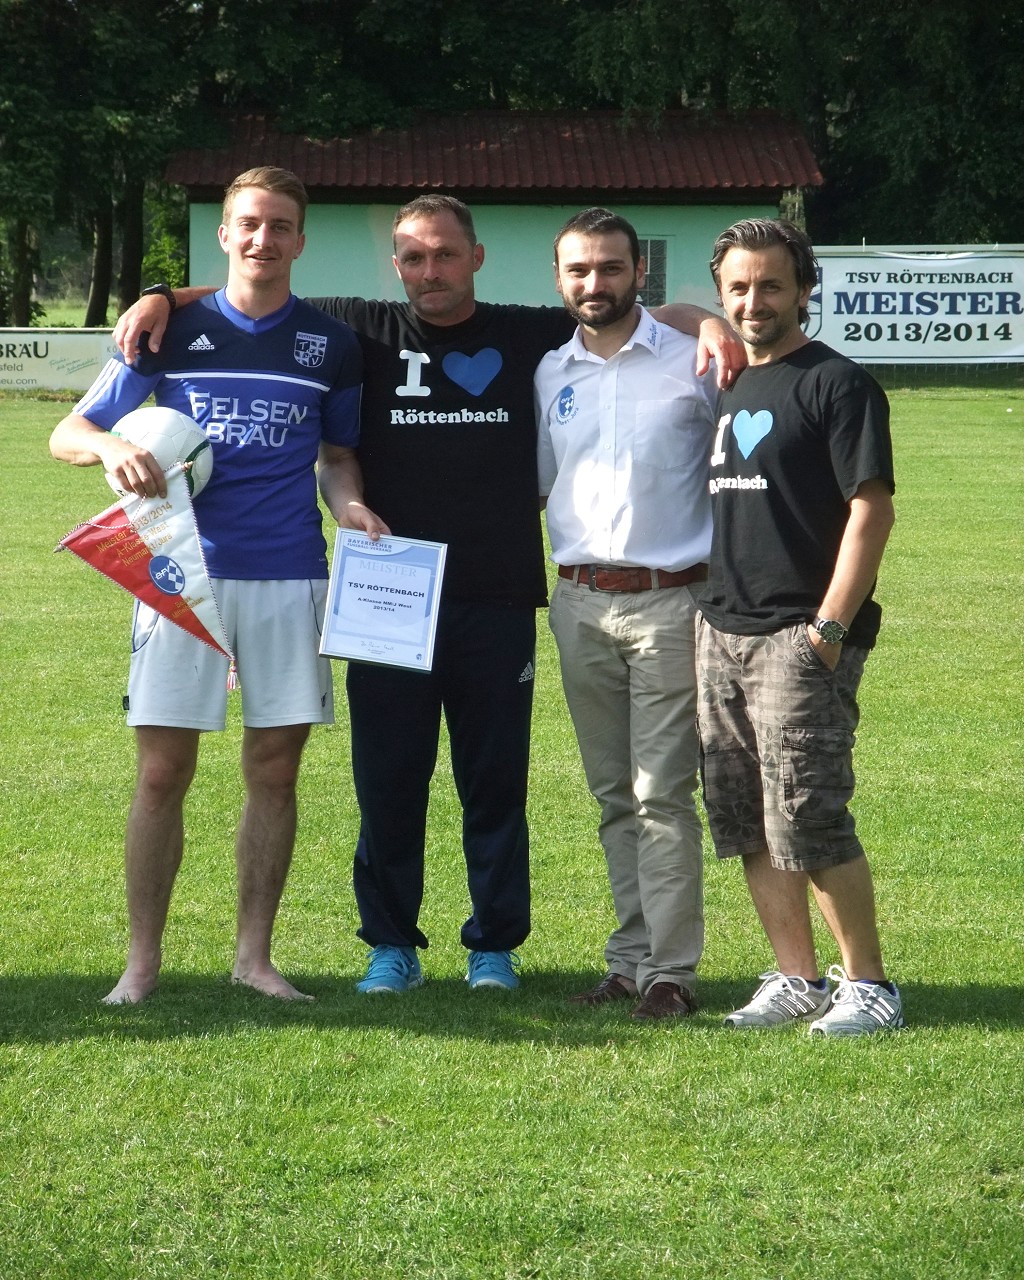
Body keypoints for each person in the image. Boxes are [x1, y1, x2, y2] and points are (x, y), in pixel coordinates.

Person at [114, 194, 743, 996]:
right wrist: (161, 296)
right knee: (388, 780)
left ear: (476, 258)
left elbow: (626, 310)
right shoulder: (360, 327)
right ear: (396, 266)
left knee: (494, 783)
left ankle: (494, 946)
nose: (430, 270)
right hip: (388, 591)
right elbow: (253, 286)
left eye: (446, 254)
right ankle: (390, 945)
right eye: (413, 257)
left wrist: (708, 321)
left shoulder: (530, 335)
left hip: (497, 591)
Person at [50, 166, 384, 1005]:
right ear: (226, 234)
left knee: (274, 771)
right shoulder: (166, 331)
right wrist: (111, 447)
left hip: (289, 576)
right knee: (162, 773)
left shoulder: (330, 345)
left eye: (280, 226)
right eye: (249, 224)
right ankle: (141, 963)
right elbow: (68, 431)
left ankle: (253, 958)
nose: (264, 239)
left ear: (300, 240)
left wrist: (349, 507)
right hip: (175, 572)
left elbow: (337, 456)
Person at [697, 217, 904, 1037]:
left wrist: (828, 630)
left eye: (771, 285)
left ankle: (871, 987)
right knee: (746, 816)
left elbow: (872, 512)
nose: (754, 301)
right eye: (738, 287)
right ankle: (795, 977)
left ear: (804, 289)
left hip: (799, 636)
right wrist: (701, 323)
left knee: (808, 814)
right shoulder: (730, 382)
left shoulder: (838, 384)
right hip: (721, 629)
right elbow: (663, 314)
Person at [535, 208, 715, 1020]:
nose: (594, 283)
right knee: (613, 794)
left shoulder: (696, 360)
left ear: (639, 271)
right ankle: (631, 958)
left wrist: (710, 321)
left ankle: (671, 972)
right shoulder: (549, 374)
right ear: (559, 278)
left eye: (610, 267)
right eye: (579, 270)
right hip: (577, 603)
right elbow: (543, 484)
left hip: (671, 602)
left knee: (661, 793)